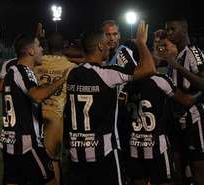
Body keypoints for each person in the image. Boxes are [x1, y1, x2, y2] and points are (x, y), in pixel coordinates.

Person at [63, 21, 156, 185]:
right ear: (100, 46)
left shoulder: (73, 74)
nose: (109, 44)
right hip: (104, 150)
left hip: (78, 150)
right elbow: (149, 69)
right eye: (106, 41)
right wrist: (141, 42)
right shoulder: (107, 74)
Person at [0, 33, 67, 185]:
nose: (42, 49)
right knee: (52, 181)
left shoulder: (14, 71)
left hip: (10, 142)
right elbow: (37, 95)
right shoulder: (22, 71)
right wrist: (63, 79)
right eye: (38, 45)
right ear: (30, 51)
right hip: (27, 144)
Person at [154, 18, 204, 185]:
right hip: (178, 118)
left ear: (184, 30)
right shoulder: (177, 54)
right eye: (167, 30)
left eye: (172, 29)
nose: (169, 33)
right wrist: (158, 41)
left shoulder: (192, 51)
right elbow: (157, 59)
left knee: (198, 169)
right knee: (180, 166)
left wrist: (179, 67)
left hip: (195, 117)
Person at [34, 32, 76, 185]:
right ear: (64, 46)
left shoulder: (36, 63)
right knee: (54, 159)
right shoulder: (71, 67)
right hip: (55, 117)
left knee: (34, 157)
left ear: (46, 46)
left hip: (34, 115)